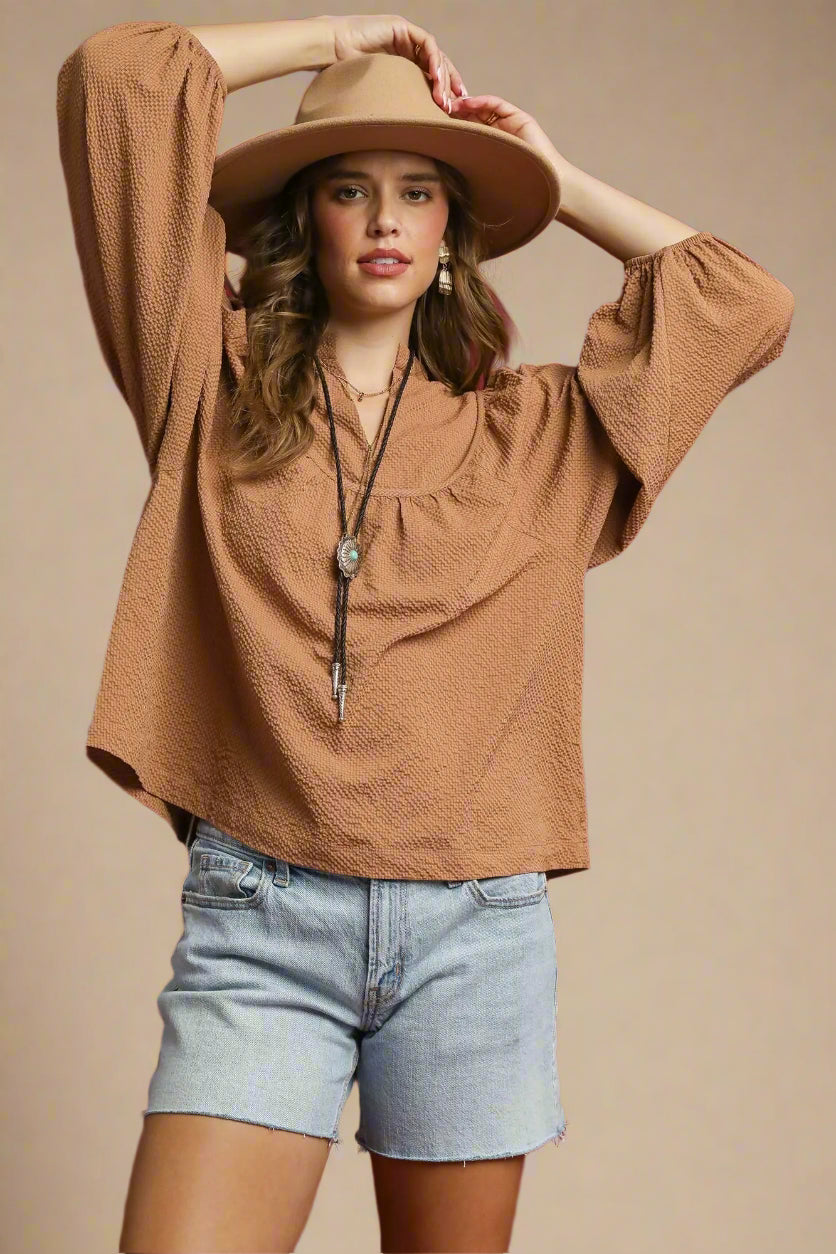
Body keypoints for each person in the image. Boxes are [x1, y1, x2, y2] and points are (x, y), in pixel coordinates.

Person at [56, 13, 794, 1253]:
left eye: (417, 192)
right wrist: (340, 33)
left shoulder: (535, 440)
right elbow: (117, 83)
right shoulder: (209, 381)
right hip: (261, 923)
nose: (386, 222)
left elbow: (742, 303)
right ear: (306, 219)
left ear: (454, 229)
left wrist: (553, 185)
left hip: (473, 940)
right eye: (349, 188)